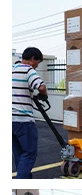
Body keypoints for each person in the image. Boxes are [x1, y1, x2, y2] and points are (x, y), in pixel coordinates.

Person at [13, 47, 48, 179]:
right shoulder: (28, 70)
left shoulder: (11, 69)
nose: (37, 66)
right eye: (37, 62)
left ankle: (25, 179)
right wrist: (43, 94)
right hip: (23, 120)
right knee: (29, 153)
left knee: (19, 154)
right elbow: (41, 87)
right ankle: (20, 182)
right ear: (33, 59)